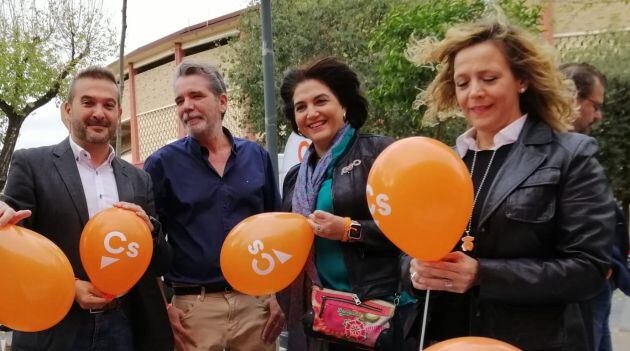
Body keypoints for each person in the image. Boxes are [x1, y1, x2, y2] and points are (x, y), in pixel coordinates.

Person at [404, 18, 616, 350]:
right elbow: (408, 246)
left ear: (522, 80)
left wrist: (481, 275)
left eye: (489, 78)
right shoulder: (442, 161)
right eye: (462, 83)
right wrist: (415, 273)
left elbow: (590, 268)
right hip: (442, 338)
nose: (474, 92)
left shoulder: (570, 155)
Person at [0, 67, 173, 351]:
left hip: (124, 327)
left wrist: (151, 232)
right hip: (55, 331)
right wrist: (69, 286)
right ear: (68, 109)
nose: (98, 113)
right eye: (88, 102)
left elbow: (161, 264)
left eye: (108, 105)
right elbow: (13, 247)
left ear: (118, 112)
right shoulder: (31, 165)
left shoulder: (139, 179)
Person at [143, 60, 284, 351]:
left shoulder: (257, 156)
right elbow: (147, 245)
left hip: (255, 307)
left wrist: (278, 296)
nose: (186, 106)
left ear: (222, 102)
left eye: (196, 96)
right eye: (180, 100)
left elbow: (277, 230)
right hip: (194, 310)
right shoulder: (161, 164)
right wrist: (163, 307)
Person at [278, 57, 417, 351]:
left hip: (378, 314)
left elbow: (415, 231)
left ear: (343, 105)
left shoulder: (378, 153)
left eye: (320, 101)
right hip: (325, 317)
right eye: (300, 107)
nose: (311, 113)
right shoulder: (294, 178)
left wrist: (349, 230)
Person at [560, 62, 630, 351]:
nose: (599, 115)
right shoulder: (551, 154)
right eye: (595, 105)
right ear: (572, 98)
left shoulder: (577, 149)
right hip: (581, 289)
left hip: (600, 283)